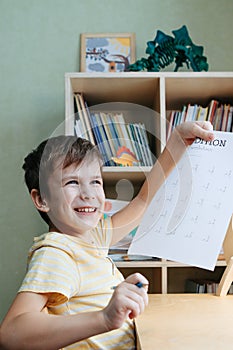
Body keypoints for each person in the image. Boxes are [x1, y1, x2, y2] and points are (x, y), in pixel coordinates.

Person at [0, 121, 214, 350]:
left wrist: (177, 142)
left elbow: (142, 203)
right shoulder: (57, 253)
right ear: (42, 199)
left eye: (95, 181)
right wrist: (104, 318)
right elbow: (11, 333)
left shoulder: (92, 237)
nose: (88, 193)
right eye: (72, 182)